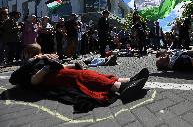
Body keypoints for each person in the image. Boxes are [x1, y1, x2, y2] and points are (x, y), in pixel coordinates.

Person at [9, 44, 150, 110]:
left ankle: (127, 80)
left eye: (38, 53)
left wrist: (75, 64)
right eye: (34, 54)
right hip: (52, 79)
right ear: (27, 55)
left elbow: (61, 67)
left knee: (91, 73)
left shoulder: (40, 59)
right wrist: (44, 65)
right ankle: (119, 87)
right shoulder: (25, 68)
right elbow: (34, 81)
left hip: (58, 74)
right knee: (84, 76)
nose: (37, 55)